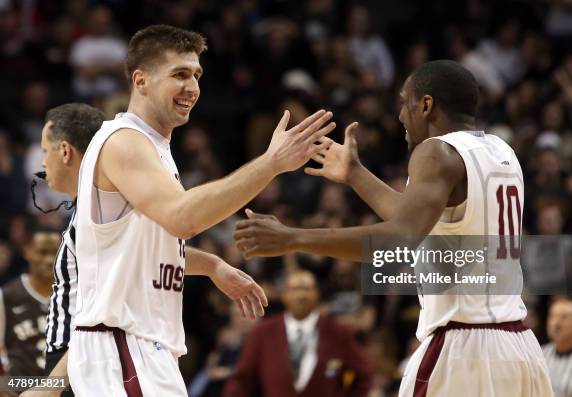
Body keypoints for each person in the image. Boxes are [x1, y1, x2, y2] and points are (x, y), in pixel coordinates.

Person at [234, 60, 554, 396]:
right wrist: (355, 174)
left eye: (405, 102)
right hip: (520, 348)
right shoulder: (501, 151)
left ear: (426, 105)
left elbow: (400, 238)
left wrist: (293, 238)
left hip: (463, 348)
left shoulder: (436, 151)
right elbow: (417, 218)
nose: (401, 115)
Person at [69, 24, 335, 397]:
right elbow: (184, 219)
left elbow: (142, 247)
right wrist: (272, 163)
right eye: (179, 74)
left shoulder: (153, 148)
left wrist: (211, 265)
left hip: (140, 348)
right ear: (141, 80)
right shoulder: (125, 142)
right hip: (122, 347)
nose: (192, 86)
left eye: (196, 75)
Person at [22, 103, 270, 397]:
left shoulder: (102, 217)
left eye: (44, 150)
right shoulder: (96, 214)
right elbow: (144, 257)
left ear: (64, 151)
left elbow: (99, 317)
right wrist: (213, 265)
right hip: (80, 366)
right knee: (9, 384)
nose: (42, 161)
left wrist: (49, 387)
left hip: (82, 367)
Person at [222, 270, 372, 397]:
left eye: (307, 289)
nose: (301, 295)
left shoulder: (338, 332)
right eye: (295, 289)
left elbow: (363, 375)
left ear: (317, 294)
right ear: (284, 295)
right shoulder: (263, 333)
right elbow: (241, 381)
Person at [0, 227, 58, 377]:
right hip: (19, 385)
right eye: (43, 252)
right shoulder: (7, 295)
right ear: (27, 252)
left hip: (62, 386)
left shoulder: (75, 295)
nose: (50, 260)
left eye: (55, 252)